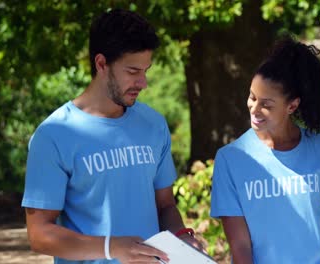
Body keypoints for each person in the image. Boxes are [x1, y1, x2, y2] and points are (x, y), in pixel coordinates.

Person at [22, 9, 201, 264]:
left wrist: (182, 237)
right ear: (101, 64)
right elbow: (39, 234)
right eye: (132, 71)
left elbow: (165, 207)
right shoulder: (52, 136)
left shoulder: (153, 125)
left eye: (146, 70)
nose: (143, 82)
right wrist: (110, 248)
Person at [210, 36, 320, 264]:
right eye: (252, 97)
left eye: (266, 104)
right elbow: (240, 247)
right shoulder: (231, 159)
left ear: (292, 106)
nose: (254, 108)